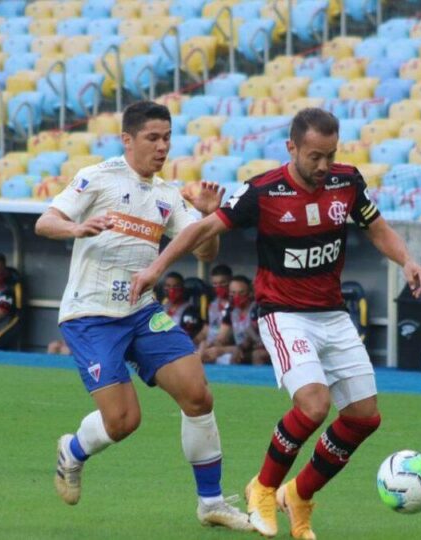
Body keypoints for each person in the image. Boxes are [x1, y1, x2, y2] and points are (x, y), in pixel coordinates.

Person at [130, 107, 421, 538]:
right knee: (313, 405)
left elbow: (376, 227)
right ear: (292, 148)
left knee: (364, 417)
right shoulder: (263, 191)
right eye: (314, 157)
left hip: (332, 312)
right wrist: (157, 269)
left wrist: (407, 260)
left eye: (330, 155)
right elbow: (201, 231)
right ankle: (263, 488)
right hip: (284, 314)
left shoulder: (347, 182)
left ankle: (299, 494)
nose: (324, 166)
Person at [33, 100, 251, 531]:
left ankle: (210, 503)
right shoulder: (97, 178)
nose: (162, 146)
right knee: (123, 421)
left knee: (197, 394)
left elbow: (205, 249)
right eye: (153, 138)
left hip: (140, 312)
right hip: (91, 315)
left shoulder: (168, 196)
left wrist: (208, 215)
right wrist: (76, 227)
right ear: (127, 140)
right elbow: (46, 221)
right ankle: (73, 451)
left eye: (167, 138)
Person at [200, 275, 265, 365]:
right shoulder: (231, 311)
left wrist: (223, 350)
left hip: (258, 348)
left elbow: (250, 342)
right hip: (240, 349)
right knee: (208, 352)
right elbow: (221, 337)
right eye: (233, 293)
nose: (237, 296)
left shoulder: (257, 309)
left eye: (241, 293)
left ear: (250, 293)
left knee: (254, 354)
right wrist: (210, 345)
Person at [196, 264, 232, 348]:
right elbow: (205, 330)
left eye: (223, 283)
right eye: (215, 284)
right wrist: (191, 342)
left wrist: (206, 345)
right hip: (209, 346)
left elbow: (223, 338)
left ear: (230, 282)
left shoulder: (234, 306)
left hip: (225, 348)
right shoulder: (213, 304)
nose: (219, 287)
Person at [162, 271, 203, 340]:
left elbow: (187, 336)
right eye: (168, 286)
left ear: (182, 288)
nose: (172, 290)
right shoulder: (163, 307)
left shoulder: (190, 310)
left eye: (176, 286)